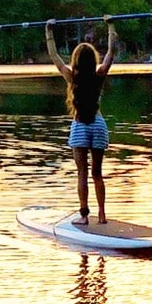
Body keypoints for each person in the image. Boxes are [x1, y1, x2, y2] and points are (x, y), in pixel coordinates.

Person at [45, 15, 118, 225]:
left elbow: (54, 56)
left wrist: (48, 31)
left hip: (80, 127)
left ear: (76, 59)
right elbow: (111, 53)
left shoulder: (71, 77)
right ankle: (102, 215)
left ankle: (84, 216)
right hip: (97, 125)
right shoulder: (99, 75)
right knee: (97, 173)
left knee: (81, 173)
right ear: (92, 59)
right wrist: (111, 26)